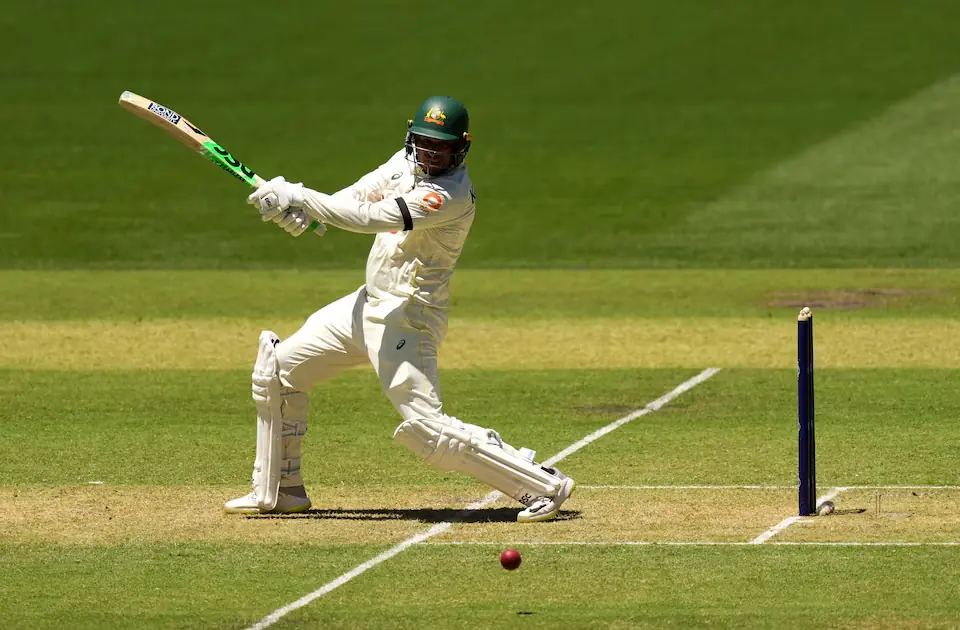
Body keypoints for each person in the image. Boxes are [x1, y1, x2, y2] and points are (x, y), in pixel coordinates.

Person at [224, 96, 575, 523]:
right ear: (412, 137)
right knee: (278, 372)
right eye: (424, 142)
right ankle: (281, 490)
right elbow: (352, 198)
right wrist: (300, 211)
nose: (430, 153)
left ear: (460, 148)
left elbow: (370, 218)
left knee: (427, 428)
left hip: (407, 317)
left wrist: (299, 194)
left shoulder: (448, 195)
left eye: (441, 147)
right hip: (366, 305)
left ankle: (542, 485)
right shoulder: (403, 164)